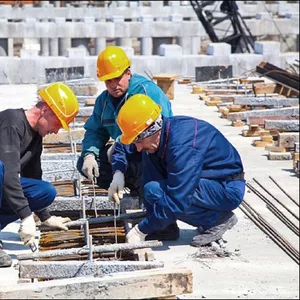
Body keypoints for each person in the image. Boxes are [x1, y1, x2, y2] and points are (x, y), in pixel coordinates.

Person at [112, 94, 246, 247]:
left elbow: (178, 198)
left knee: (158, 191)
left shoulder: (182, 145)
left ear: (152, 129)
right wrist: (118, 172)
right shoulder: (155, 136)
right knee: (151, 184)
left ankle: (217, 220)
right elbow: (123, 147)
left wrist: (142, 230)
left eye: (139, 141)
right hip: (206, 181)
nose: (138, 147)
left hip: (225, 187)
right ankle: (166, 227)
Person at [76, 46, 178, 240]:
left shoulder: (147, 92)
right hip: (125, 152)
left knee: (146, 167)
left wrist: (124, 150)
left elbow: (160, 132)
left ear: (129, 73)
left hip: (150, 152)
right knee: (84, 164)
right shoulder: (104, 102)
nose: (113, 85)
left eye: (117, 78)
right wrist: (90, 154)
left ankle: (164, 220)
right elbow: (94, 131)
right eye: (108, 81)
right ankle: (132, 186)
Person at [0, 82, 79, 267]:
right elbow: (10, 176)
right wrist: (26, 217)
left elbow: (33, 175)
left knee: (45, 192)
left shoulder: (36, 136)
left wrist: (45, 216)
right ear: (45, 109)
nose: (56, 130)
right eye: (57, 123)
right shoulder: (12, 123)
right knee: (2, 171)